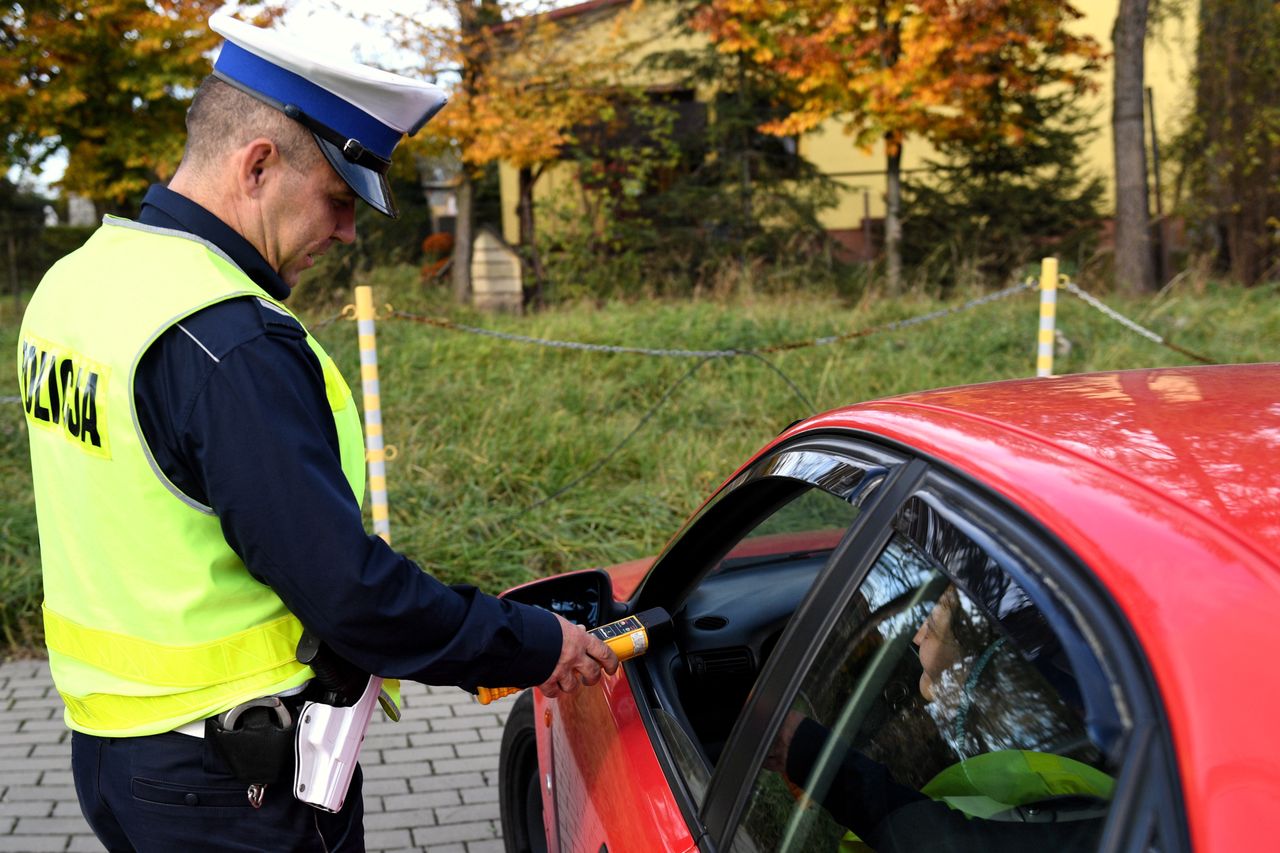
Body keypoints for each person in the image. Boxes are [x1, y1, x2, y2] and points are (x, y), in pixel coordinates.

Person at [16, 13, 617, 852]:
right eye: (338, 199)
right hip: (232, 787)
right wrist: (532, 643)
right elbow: (354, 597)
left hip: (114, 756)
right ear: (258, 164)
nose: (345, 232)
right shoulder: (231, 341)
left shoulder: (78, 283)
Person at [765, 585, 1112, 852]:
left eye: (931, 625)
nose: (917, 637)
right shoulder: (1055, 757)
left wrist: (811, 754)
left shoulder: (1034, 776)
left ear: (976, 663)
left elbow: (946, 843)